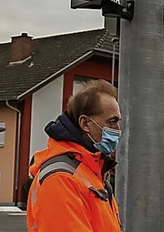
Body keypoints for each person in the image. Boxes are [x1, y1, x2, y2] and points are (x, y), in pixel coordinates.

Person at [27, 79, 123, 232]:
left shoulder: (92, 172)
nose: (118, 129)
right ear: (85, 123)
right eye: (112, 121)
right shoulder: (61, 178)